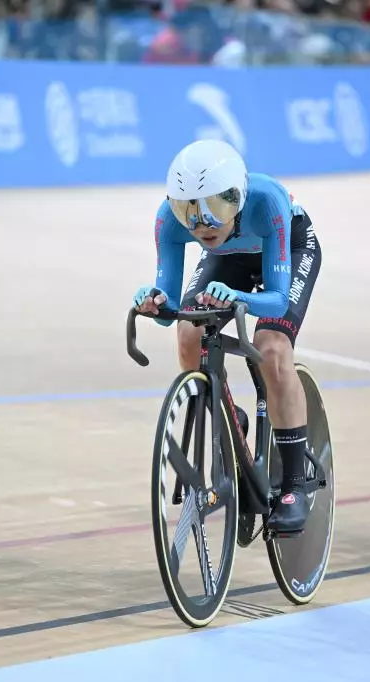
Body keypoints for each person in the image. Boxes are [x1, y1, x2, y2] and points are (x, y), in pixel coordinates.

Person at [133, 139, 322, 534]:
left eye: (215, 209)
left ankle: (293, 484)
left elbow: (275, 301)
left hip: (287, 248)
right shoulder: (171, 221)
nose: (202, 224)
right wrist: (155, 302)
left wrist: (239, 298)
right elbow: (171, 309)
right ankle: (225, 411)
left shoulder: (266, 200)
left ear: (237, 197)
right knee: (189, 330)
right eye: (187, 212)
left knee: (271, 347)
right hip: (227, 255)